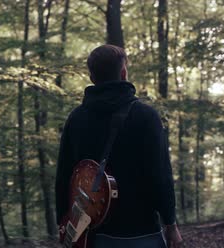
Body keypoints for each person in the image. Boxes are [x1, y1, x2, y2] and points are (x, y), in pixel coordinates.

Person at [55, 44, 183, 248]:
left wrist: (64, 223)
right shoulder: (146, 116)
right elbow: (160, 175)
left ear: (92, 77)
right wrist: (170, 223)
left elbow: (64, 177)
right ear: (123, 73)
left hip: (93, 235)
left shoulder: (76, 119)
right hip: (142, 233)